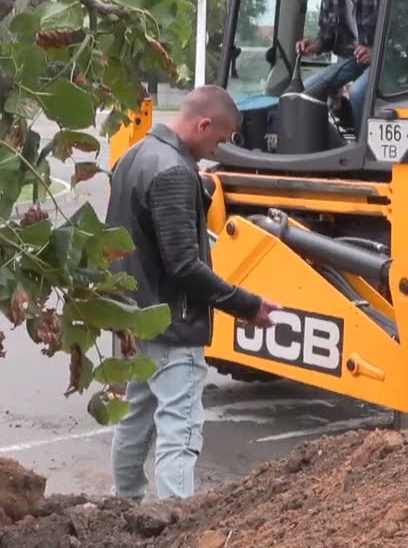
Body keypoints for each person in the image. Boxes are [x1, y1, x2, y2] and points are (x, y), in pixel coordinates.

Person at [105, 84, 280, 502]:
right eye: (218, 139)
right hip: (174, 325)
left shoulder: (135, 156)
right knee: (179, 433)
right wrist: (248, 305)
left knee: (134, 420)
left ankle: (123, 505)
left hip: (137, 317)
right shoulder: (173, 173)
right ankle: (176, 525)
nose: (218, 150)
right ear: (203, 124)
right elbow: (184, 267)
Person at [295, 0, 384, 128]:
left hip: (384, 62)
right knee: (309, 89)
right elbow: (327, 35)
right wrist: (314, 45)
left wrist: (376, 52)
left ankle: (364, 146)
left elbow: (404, 34)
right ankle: (325, 142)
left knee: (358, 92)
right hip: (352, 60)